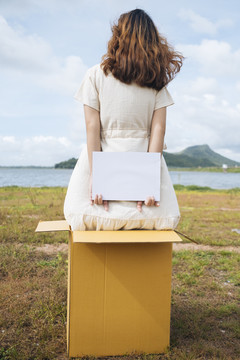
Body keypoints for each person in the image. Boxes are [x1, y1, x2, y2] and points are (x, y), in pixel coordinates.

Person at [64, 8, 184, 231]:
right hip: (144, 166)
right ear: (153, 41)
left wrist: (97, 178)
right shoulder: (155, 82)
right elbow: (159, 131)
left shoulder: (95, 74)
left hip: (101, 163)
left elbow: (92, 128)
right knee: (161, 218)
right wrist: (147, 182)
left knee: (80, 213)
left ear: (118, 36)